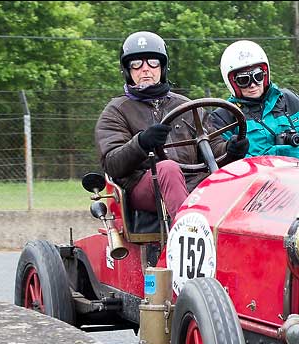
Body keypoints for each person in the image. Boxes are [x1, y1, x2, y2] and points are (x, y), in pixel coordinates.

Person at [95, 31, 248, 220]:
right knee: (168, 168)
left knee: (238, 180)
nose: (145, 69)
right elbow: (112, 164)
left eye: (153, 62)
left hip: (193, 181)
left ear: (162, 67)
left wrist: (231, 150)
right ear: (127, 70)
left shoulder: (185, 105)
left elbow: (211, 148)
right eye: (136, 64)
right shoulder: (116, 111)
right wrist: (141, 143)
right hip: (145, 185)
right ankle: (185, 231)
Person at [209, 40, 299, 169]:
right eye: (244, 80)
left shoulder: (292, 103)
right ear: (232, 83)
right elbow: (218, 164)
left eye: (257, 76)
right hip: (256, 185)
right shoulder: (224, 118)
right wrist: (230, 152)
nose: (252, 84)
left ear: (265, 74)